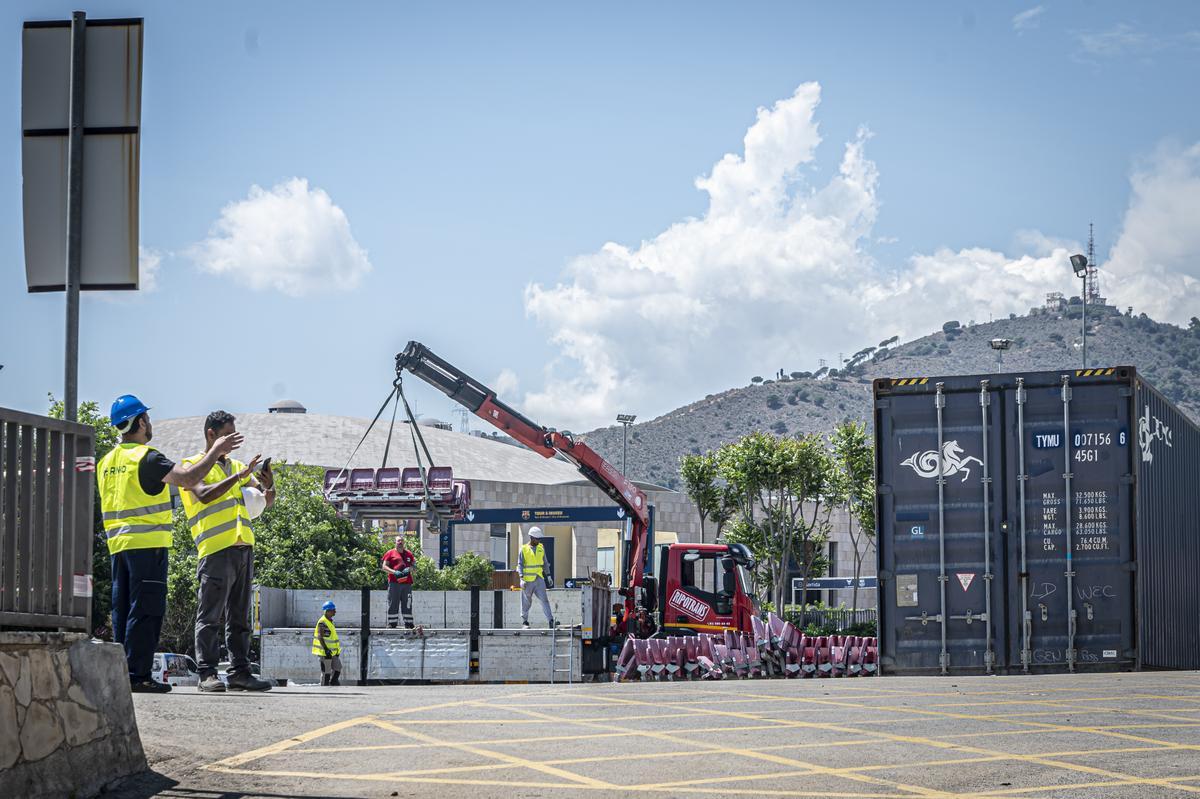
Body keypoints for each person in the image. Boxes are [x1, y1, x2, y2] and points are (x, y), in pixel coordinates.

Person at [97, 394, 243, 694]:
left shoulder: (106, 462)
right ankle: (138, 675)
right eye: (146, 418)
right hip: (147, 546)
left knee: (122, 611)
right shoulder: (146, 457)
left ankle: (125, 673)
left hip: (118, 547)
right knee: (146, 610)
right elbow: (189, 478)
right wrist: (215, 451)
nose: (149, 423)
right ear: (140, 422)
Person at [178, 411, 274, 693]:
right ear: (211, 434)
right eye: (227, 435)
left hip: (243, 548)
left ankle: (240, 673)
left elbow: (266, 501)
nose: (233, 441)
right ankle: (206, 673)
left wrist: (268, 483)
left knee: (240, 617)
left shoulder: (236, 465)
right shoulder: (192, 465)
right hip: (215, 550)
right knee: (210, 616)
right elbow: (204, 494)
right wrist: (240, 477)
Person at [518, 527, 555, 629]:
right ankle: (525, 622)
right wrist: (521, 578)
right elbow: (520, 564)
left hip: (539, 578)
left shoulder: (541, 547)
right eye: (536, 538)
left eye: (539, 538)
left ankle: (551, 621)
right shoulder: (524, 549)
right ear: (531, 537)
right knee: (526, 602)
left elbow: (545, 563)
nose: (538, 540)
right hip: (527, 580)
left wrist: (548, 576)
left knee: (544, 600)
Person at [382, 534, 416, 628]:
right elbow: (384, 567)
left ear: (404, 542)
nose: (400, 542)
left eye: (402, 541)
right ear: (395, 542)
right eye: (398, 541)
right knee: (393, 602)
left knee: (407, 603)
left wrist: (409, 569)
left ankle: (409, 623)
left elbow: (414, 567)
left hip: (407, 583)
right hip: (394, 583)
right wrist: (394, 572)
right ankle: (392, 623)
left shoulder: (409, 554)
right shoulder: (390, 553)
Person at [313, 601, 342, 686]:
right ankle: (325, 688)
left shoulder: (329, 621)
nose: (335, 611)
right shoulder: (322, 622)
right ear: (328, 611)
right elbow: (320, 636)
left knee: (338, 668)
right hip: (325, 652)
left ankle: (333, 682)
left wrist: (336, 652)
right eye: (333, 610)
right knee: (326, 672)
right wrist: (326, 650)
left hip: (333, 652)